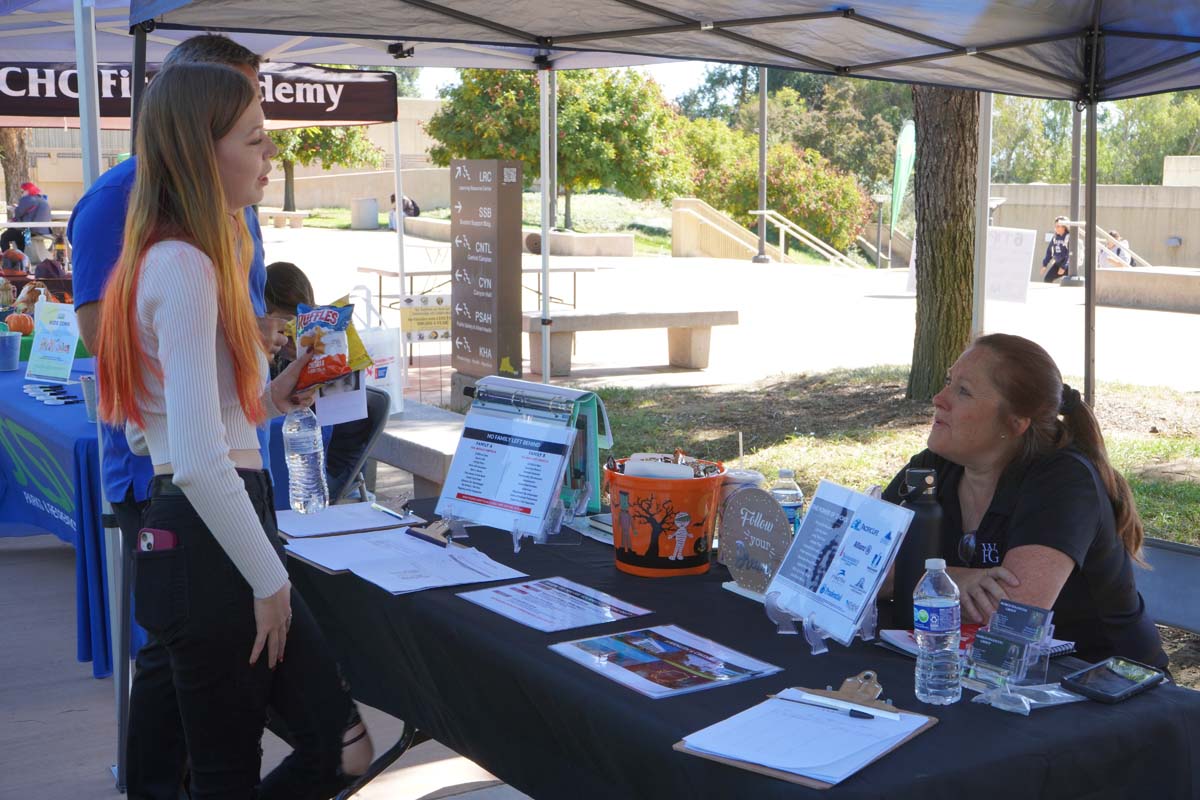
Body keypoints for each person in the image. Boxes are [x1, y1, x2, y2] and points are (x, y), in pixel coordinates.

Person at [95, 63, 372, 799]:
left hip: (205, 530)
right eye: (253, 140)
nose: (269, 156)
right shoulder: (183, 265)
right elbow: (193, 460)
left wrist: (274, 396)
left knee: (309, 751)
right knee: (263, 764)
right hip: (215, 533)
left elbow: (156, 431)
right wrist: (270, 577)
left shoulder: (171, 257)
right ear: (199, 150)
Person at [67, 35, 295, 800]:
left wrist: (259, 361)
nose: (264, 147)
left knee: (185, 671)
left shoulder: (225, 218)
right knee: (187, 670)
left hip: (221, 456)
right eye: (250, 127)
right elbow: (112, 340)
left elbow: (225, 327)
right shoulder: (128, 211)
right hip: (170, 471)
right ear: (199, 122)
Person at [882, 333, 1167, 669]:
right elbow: (852, 567)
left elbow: (1013, 615)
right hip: (973, 672)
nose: (939, 399)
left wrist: (914, 580)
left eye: (963, 391)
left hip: (1102, 685)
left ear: (1016, 422)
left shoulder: (1063, 482)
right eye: (948, 382)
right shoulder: (932, 466)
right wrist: (953, 579)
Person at [264, 260, 387, 502]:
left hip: (323, 472)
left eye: (290, 326)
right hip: (290, 462)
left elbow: (337, 446)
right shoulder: (272, 352)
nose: (285, 338)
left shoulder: (333, 348)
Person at [1, 182, 52, 254]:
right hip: (44, 230)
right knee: (16, 233)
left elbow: (19, 213)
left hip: (30, 231)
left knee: (5, 236)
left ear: (27, 191)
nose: (21, 194)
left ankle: (7, 257)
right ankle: (22, 255)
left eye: (22, 191)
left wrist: (14, 209)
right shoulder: (42, 199)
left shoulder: (26, 199)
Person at [1040, 216, 1071, 283]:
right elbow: (1049, 251)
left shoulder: (1068, 237)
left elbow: (1070, 254)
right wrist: (1044, 264)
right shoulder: (1055, 237)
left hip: (1068, 266)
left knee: (1068, 284)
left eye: (1058, 226)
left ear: (1064, 227)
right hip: (1057, 264)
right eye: (1055, 226)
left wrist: (1063, 267)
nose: (1055, 228)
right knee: (1047, 280)